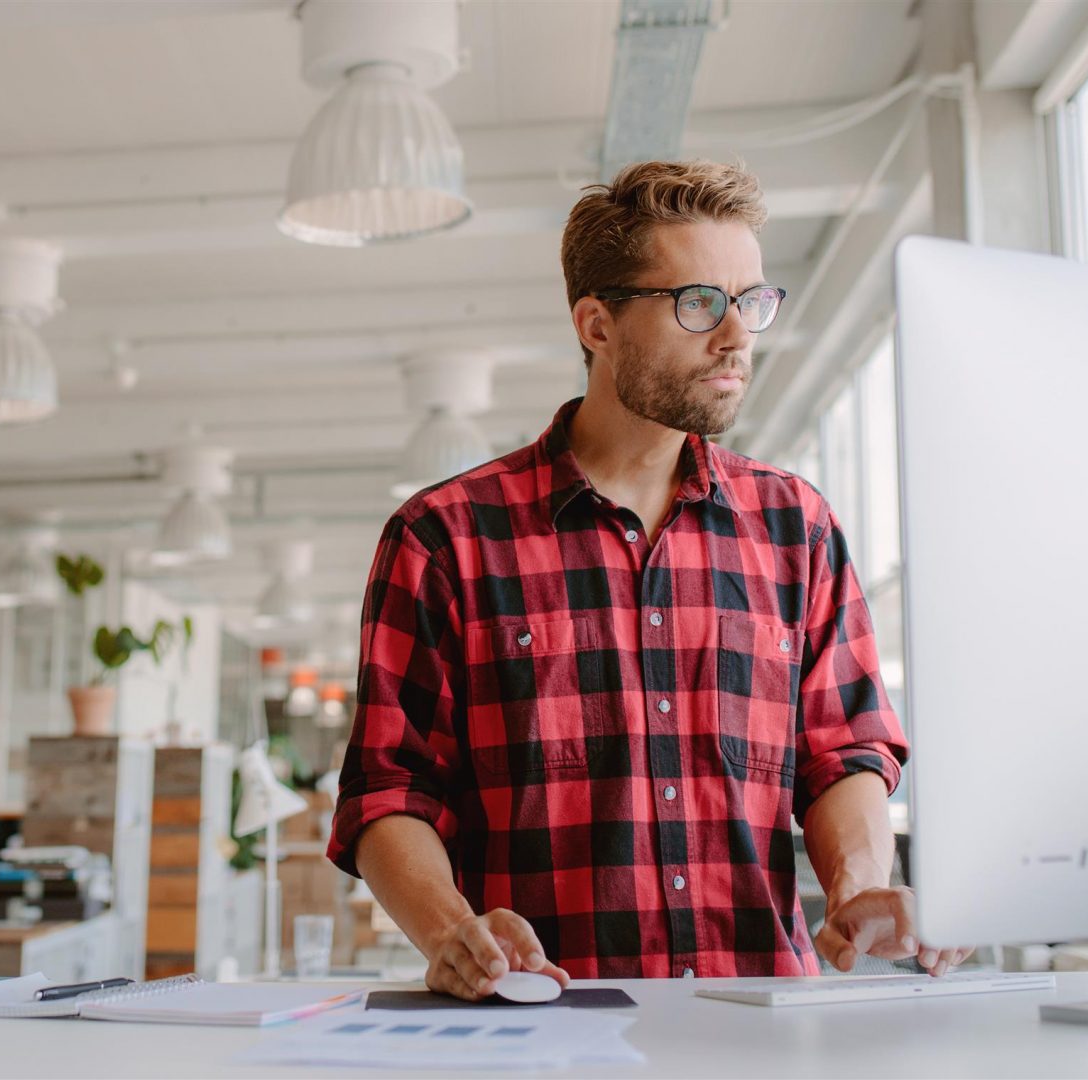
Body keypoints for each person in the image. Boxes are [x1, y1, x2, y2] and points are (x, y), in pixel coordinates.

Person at [328, 159, 971, 1000]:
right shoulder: (445, 537)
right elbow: (390, 788)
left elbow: (842, 749)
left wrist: (856, 888)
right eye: (699, 303)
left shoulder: (796, 527)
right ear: (596, 323)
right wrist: (454, 933)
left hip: (759, 1029)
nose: (737, 335)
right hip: (542, 1029)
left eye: (751, 302)